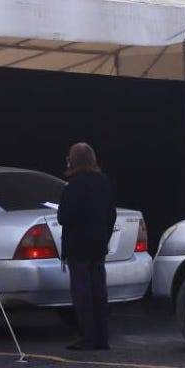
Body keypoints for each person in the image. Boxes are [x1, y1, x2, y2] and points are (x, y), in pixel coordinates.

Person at [57, 142, 116, 351]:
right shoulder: (103, 181)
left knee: (82, 293)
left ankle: (87, 336)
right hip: (98, 244)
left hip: (78, 246)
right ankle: (102, 337)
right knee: (100, 291)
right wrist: (104, 236)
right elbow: (111, 214)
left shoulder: (73, 185)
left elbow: (64, 217)